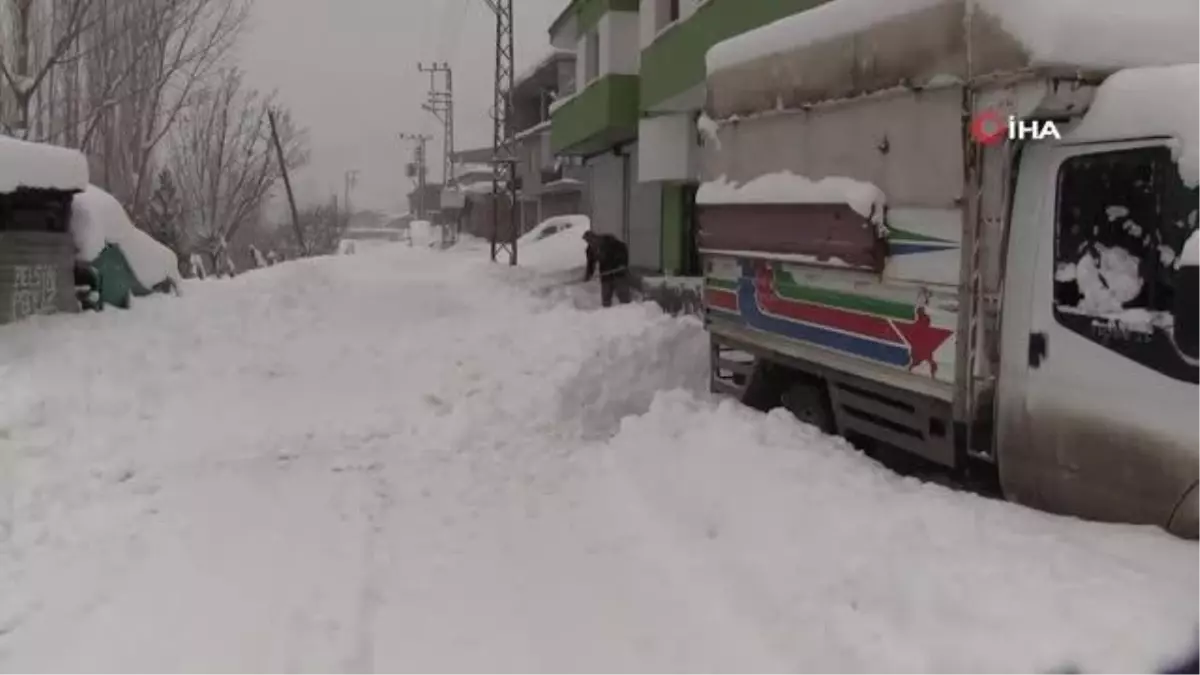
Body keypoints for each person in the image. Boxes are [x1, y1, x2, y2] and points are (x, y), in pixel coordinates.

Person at [583, 231, 632, 307]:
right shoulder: (590, 250)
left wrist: (623, 263)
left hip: (619, 273)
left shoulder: (610, 242)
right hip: (605, 275)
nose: (591, 243)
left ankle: (629, 311)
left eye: (591, 240)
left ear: (595, 237)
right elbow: (590, 264)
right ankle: (606, 314)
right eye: (588, 241)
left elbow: (623, 249)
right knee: (606, 298)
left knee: (623, 296)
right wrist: (588, 275)